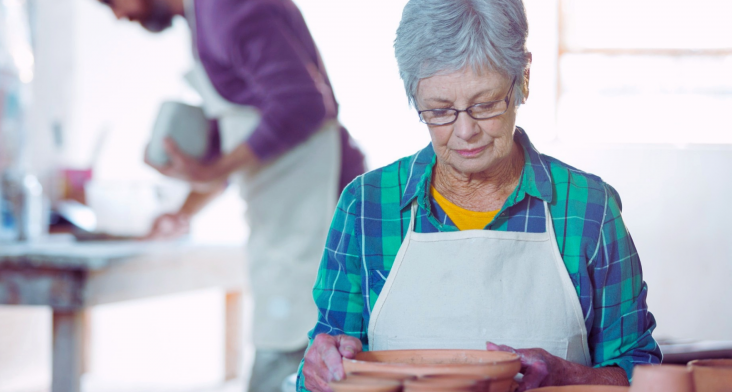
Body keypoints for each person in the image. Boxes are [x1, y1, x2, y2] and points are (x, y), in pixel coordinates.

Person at [298, 0, 662, 391]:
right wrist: (321, 370)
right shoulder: (366, 208)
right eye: (439, 111)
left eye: (485, 104)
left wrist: (571, 378)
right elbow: (319, 370)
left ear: (523, 77)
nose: (465, 131)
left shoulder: (589, 209)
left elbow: (640, 370)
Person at [96, 0, 366, 391]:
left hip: (314, 218)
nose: (119, 14)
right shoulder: (204, 18)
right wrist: (185, 210)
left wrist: (213, 170)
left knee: (293, 355)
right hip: (286, 223)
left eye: (112, 2)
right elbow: (249, 135)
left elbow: (302, 103)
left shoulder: (224, 7)